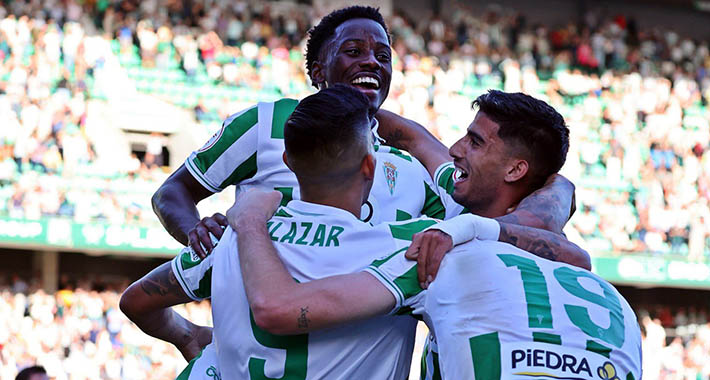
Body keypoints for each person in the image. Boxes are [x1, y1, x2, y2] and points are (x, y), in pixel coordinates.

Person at [136, 85, 589, 379]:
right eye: (352, 51)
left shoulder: (237, 234)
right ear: (371, 166)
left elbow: (138, 300)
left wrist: (190, 334)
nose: (455, 148)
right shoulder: (418, 242)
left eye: (474, 141)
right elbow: (569, 245)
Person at [150, 5, 576, 259]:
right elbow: (172, 192)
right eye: (353, 51)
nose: (372, 62)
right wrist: (195, 231)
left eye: (383, 55)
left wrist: (561, 188)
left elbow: (495, 220)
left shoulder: (410, 167)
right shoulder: (265, 123)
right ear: (318, 72)